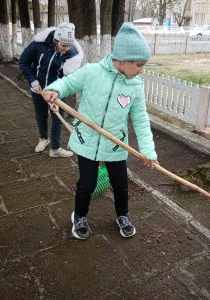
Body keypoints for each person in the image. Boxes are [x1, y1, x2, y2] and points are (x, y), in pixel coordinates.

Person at [42, 22, 158, 240]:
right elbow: (66, 84)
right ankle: (80, 216)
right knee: (87, 184)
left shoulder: (135, 86)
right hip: (87, 140)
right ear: (124, 60)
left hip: (115, 143)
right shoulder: (91, 72)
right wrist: (53, 89)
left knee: (121, 185)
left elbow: (141, 120)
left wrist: (148, 152)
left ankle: (123, 215)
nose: (142, 70)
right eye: (140, 65)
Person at [19, 22, 83, 157]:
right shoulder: (39, 44)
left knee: (57, 117)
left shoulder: (73, 55)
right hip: (38, 88)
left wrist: (57, 94)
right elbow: (24, 61)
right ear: (55, 40)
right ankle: (43, 139)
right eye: (63, 45)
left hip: (57, 91)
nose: (67, 48)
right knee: (40, 115)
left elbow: (68, 79)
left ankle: (55, 149)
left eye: (69, 45)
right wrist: (33, 80)